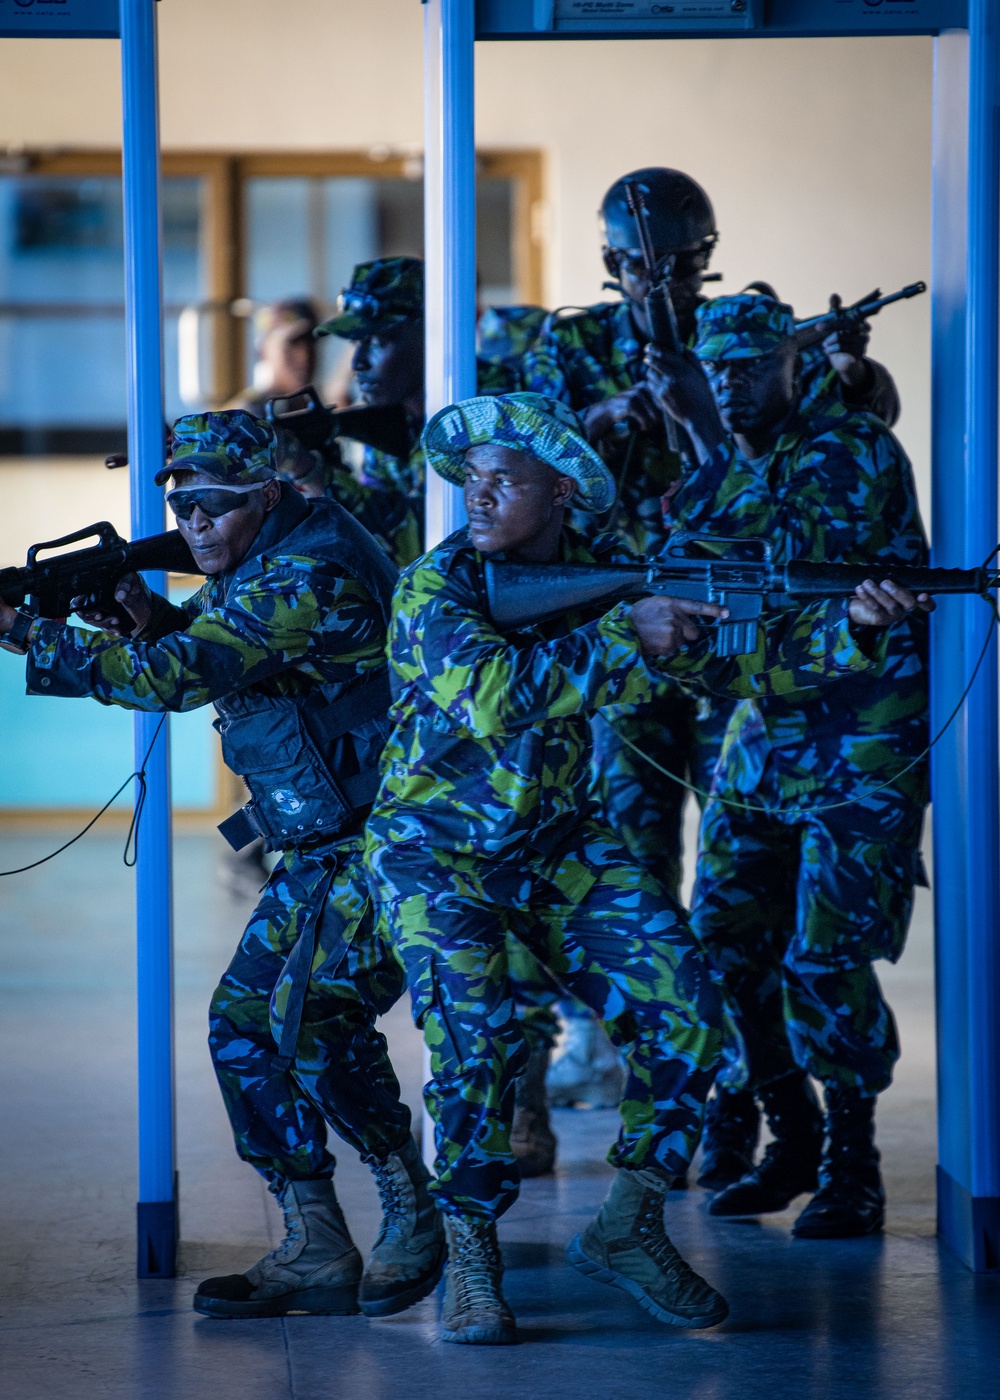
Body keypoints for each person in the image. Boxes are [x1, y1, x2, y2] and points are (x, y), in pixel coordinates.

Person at [359, 390, 930, 1345]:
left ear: (563, 494)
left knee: (691, 1011)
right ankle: (470, 1255)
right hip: (436, 850)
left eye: (505, 479)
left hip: (556, 848)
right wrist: (634, 628)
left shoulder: (613, 581)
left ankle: (628, 1224)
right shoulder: (437, 588)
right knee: (477, 1044)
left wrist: (855, 627)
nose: (478, 495)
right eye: (471, 478)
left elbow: (745, 676)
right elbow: (495, 698)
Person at [0, 410, 444, 1319]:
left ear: (268, 494)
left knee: (316, 1026)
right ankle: (315, 1244)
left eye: (216, 505)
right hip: (322, 844)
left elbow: (179, 676)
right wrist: (146, 613)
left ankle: (413, 1209)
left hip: (387, 841)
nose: (196, 524)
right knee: (242, 1026)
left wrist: (22, 629)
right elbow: (229, 655)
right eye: (184, 505)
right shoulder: (267, 557)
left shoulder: (308, 568)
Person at [521, 167, 903, 1175]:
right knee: (636, 875)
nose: (667, 280)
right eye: (646, 264)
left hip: (756, 654)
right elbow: (525, 460)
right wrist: (614, 418)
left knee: (748, 904)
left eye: (686, 262)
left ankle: (769, 1117)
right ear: (610, 264)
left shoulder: (743, 330)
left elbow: (854, 418)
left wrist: (848, 374)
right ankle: (673, 1084)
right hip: (639, 636)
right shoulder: (571, 346)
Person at [646, 293, 929, 1238]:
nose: (727, 384)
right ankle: (790, 1130)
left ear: (791, 364)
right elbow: (678, 573)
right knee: (722, 946)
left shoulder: (847, 452)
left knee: (826, 959)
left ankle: (856, 1162)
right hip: (764, 739)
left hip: (860, 744)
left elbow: (763, 576)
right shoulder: (737, 462)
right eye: (715, 368)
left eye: (747, 366)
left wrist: (702, 450)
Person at [317, 257, 560, 1176]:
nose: (366, 360)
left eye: (383, 337)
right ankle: (455, 1160)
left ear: (433, 337)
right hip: (418, 719)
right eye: (359, 342)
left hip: (511, 709)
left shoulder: (506, 431)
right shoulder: (374, 444)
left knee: (529, 874)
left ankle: (524, 1099)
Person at [228, 299, 320, 418]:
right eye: (292, 344)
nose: (305, 356)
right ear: (264, 350)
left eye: (311, 344)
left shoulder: (317, 405)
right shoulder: (244, 418)